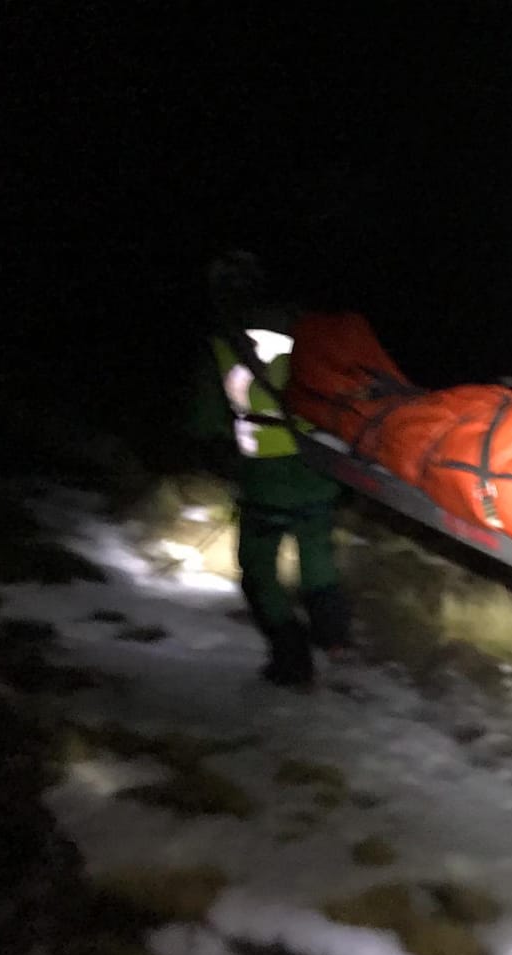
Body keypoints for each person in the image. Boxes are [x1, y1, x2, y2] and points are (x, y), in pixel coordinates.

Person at [187, 250, 349, 687]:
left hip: (265, 478)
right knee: (317, 555)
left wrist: (222, 456)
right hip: (319, 468)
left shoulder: (222, 341)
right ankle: (334, 638)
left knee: (258, 571)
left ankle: (291, 658)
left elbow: (206, 421)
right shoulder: (307, 328)